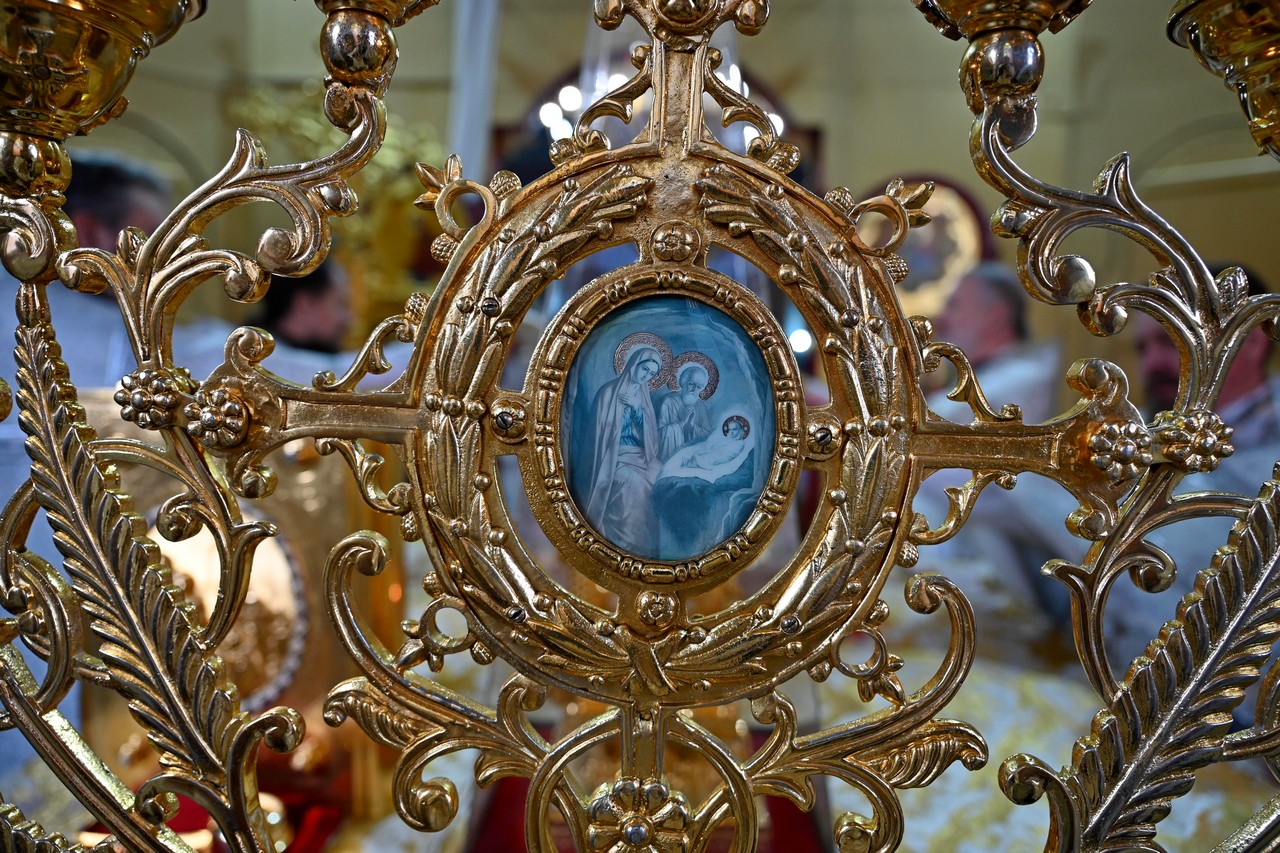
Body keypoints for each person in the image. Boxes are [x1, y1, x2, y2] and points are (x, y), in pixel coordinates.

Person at [584, 345, 662, 555]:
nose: (646, 376)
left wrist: (637, 410)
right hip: (612, 455)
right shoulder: (608, 393)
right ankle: (629, 545)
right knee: (632, 483)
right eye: (644, 369)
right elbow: (599, 434)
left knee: (660, 477)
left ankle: (649, 549)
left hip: (639, 455)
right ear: (634, 365)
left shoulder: (644, 399)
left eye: (651, 374)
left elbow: (650, 440)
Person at [657, 359, 714, 461]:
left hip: (691, 456)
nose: (694, 389)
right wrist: (681, 423)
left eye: (699, 386)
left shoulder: (701, 406)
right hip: (669, 456)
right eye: (692, 384)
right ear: (683, 381)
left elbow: (707, 435)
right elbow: (659, 434)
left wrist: (692, 426)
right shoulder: (668, 401)